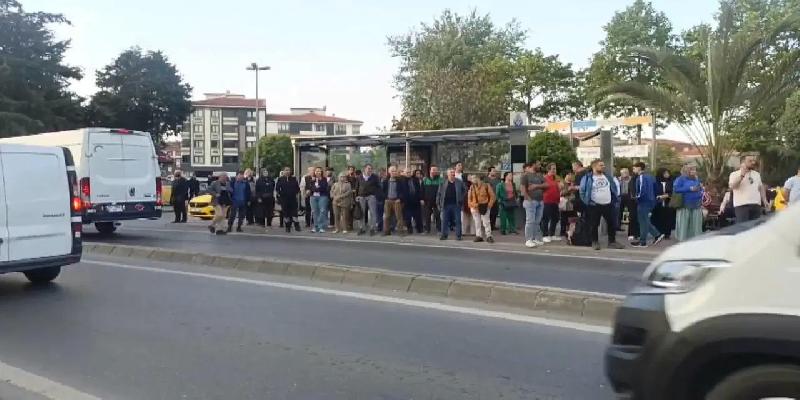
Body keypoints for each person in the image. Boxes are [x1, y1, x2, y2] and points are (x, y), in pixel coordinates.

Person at [579, 159, 624, 250]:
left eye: (603, 165)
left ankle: (612, 242)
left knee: (611, 223)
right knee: (594, 224)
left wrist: (614, 198)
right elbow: (582, 191)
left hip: (608, 203)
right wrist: (588, 202)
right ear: (594, 166)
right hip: (594, 205)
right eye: (601, 165)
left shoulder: (607, 176)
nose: (603, 167)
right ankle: (595, 242)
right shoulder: (587, 178)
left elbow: (613, 187)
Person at [632, 162, 664, 248]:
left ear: (639, 168)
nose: (633, 170)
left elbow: (642, 189)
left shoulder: (641, 177)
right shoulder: (651, 177)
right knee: (644, 220)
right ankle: (655, 235)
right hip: (651, 200)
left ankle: (644, 241)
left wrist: (637, 197)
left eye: (634, 168)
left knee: (643, 221)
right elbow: (656, 188)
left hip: (644, 201)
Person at [728, 155, 769, 224]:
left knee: (756, 228)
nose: (753, 162)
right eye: (750, 161)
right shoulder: (734, 174)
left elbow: (761, 187)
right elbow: (732, 186)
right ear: (743, 162)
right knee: (743, 227)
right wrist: (742, 175)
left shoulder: (757, 174)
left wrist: (764, 200)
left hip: (755, 205)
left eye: (753, 161)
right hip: (742, 206)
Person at [673, 164, 705, 241]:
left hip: (696, 204)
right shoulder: (680, 179)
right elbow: (676, 189)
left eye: (695, 170)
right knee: (684, 223)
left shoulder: (697, 179)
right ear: (687, 170)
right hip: (684, 205)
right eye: (692, 169)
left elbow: (700, 190)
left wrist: (701, 190)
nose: (694, 171)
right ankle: (683, 240)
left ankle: (696, 240)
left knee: (696, 224)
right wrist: (689, 188)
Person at [520, 162, 548, 248]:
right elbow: (523, 189)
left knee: (537, 221)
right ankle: (528, 239)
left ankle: (535, 238)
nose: (538, 166)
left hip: (540, 201)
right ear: (531, 166)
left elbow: (546, 185)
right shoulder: (525, 176)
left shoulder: (539, 175)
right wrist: (529, 199)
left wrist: (536, 186)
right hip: (530, 201)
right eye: (536, 164)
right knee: (530, 221)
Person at [437, 168, 466, 241]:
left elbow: (464, 190)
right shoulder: (443, 182)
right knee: (444, 220)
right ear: (448, 174)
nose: (453, 174)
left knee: (458, 220)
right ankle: (444, 235)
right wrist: (438, 203)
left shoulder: (459, 182)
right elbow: (439, 194)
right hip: (445, 205)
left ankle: (458, 236)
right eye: (451, 173)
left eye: (453, 173)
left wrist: (461, 198)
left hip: (456, 204)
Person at [468, 174, 496, 243]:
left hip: (484, 206)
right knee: (477, 222)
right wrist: (472, 205)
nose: (472, 179)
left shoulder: (486, 185)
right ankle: (479, 236)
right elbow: (469, 199)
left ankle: (489, 236)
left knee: (486, 222)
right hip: (475, 207)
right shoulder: (471, 187)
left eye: (474, 178)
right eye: (472, 178)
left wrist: (489, 205)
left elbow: (492, 196)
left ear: (478, 178)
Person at [381, 165, 408, 236]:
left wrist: (400, 198)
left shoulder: (400, 181)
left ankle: (400, 232)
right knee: (386, 216)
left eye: (395, 171)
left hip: (397, 201)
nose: (394, 172)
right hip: (388, 200)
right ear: (389, 172)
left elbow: (404, 191)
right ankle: (386, 231)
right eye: (392, 171)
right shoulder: (385, 181)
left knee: (399, 217)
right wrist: (385, 198)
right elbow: (382, 191)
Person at [357, 164, 381, 235]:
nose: (370, 170)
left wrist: (375, 195)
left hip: (371, 197)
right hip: (361, 197)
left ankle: (372, 228)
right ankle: (361, 228)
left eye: (371, 169)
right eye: (368, 168)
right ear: (364, 169)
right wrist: (357, 196)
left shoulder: (375, 177)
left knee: (373, 213)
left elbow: (378, 187)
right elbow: (357, 187)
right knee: (361, 213)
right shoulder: (359, 177)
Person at [652, 168, 676, 239]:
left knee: (668, 218)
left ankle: (667, 234)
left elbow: (674, 191)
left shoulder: (671, 182)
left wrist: (667, 195)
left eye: (668, 173)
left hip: (668, 203)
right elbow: (653, 191)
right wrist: (658, 196)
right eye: (665, 173)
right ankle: (659, 233)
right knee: (658, 218)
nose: (667, 174)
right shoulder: (655, 182)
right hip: (658, 203)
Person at [541, 163, 561, 242]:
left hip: (555, 201)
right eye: (553, 169)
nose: (555, 170)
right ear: (548, 169)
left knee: (555, 218)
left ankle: (552, 234)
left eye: (555, 169)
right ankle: (545, 235)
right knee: (546, 218)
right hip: (546, 201)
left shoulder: (555, 179)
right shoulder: (544, 178)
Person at [276, 167, 301, 232]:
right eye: (286, 170)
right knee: (286, 214)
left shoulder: (293, 179)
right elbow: (277, 189)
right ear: (283, 171)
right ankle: (287, 227)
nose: (287, 171)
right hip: (284, 199)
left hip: (292, 199)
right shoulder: (280, 179)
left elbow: (297, 188)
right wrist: (280, 196)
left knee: (294, 213)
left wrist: (295, 193)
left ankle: (296, 225)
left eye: (288, 170)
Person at [306, 167, 330, 233]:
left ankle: (321, 226)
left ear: (321, 172)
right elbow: (310, 187)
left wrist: (316, 188)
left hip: (322, 196)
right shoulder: (311, 179)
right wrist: (315, 187)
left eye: (319, 171)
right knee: (314, 212)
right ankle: (315, 227)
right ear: (314, 172)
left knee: (322, 211)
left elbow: (324, 188)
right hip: (313, 197)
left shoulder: (324, 179)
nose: (318, 172)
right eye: (316, 171)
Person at [618, 168, 639, 242]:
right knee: (618, 213)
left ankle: (632, 233)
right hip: (621, 197)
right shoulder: (618, 180)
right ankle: (617, 226)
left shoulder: (632, 179)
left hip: (630, 197)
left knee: (632, 215)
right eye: (623, 173)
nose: (624, 174)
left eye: (626, 172)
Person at [422, 165, 444, 234]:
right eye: (433, 170)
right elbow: (422, 190)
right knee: (427, 216)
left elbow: (443, 191)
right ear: (430, 171)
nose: (435, 171)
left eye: (436, 170)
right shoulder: (425, 179)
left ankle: (439, 230)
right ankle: (427, 230)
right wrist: (422, 199)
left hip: (437, 201)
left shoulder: (440, 180)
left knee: (438, 215)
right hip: (427, 201)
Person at [403, 168, 424, 234]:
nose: (408, 174)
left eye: (409, 172)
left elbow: (419, 190)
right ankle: (409, 229)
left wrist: (421, 198)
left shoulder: (415, 180)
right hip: (407, 202)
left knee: (418, 216)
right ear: (404, 173)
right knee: (408, 217)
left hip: (416, 201)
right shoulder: (402, 181)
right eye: (407, 172)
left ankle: (419, 229)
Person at [559, 173, 577, 239]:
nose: (570, 177)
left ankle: (571, 232)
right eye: (568, 175)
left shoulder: (573, 183)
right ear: (566, 176)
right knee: (564, 218)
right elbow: (560, 193)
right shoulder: (562, 183)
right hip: (565, 204)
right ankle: (563, 232)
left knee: (573, 218)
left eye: (571, 176)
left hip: (573, 203)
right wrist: (568, 190)